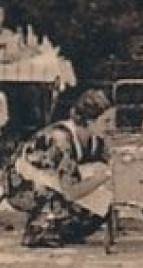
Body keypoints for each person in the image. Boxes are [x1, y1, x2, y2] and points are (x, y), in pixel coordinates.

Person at [12, 89, 114, 248]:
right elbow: (71, 191)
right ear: (89, 120)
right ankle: (38, 229)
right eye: (106, 121)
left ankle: (60, 229)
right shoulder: (61, 139)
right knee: (67, 200)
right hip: (23, 183)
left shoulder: (97, 140)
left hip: (60, 181)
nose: (112, 127)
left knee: (100, 209)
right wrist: (102, 178)